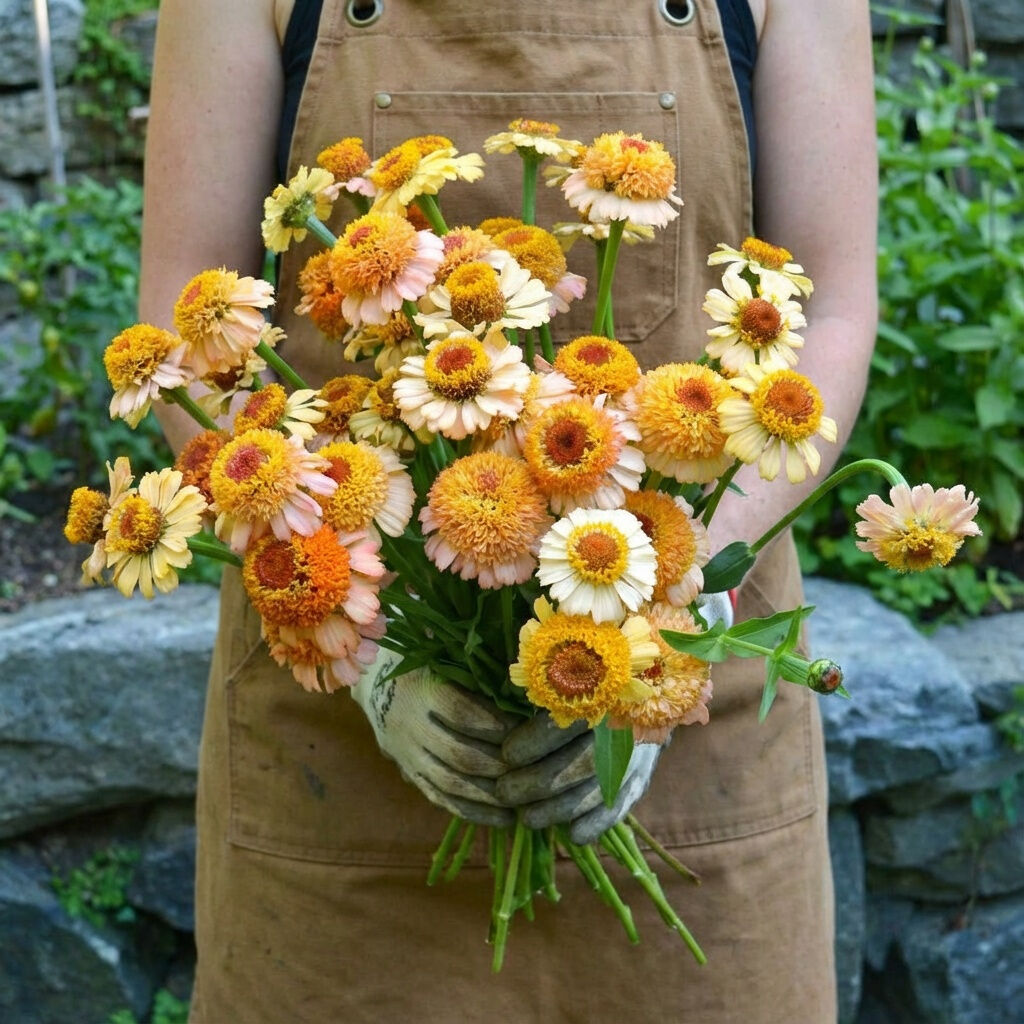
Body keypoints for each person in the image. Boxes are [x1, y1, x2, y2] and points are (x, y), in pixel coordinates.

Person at [140, 1, 877, 1020]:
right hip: (342, 752)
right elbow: (185, 310)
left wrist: (664, 615)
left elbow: (831, 305)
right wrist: (363, 640)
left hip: (695, 725)